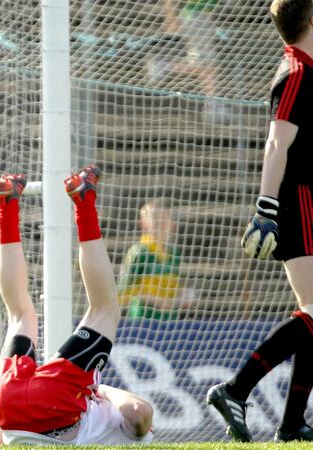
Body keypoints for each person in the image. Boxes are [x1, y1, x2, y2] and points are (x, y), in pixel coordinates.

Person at [0, 168, 154, 446]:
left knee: (104, 308)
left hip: (56, 405)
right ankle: (7, 203)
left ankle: (83, 201)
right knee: (19, 314)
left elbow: (139, 413)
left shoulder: (124, 434)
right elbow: (10, 428)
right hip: (9, 406)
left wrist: (102, 390)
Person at [206, 0, 313, 443]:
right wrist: (266, 208)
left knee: (312, 313)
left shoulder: (306, 68)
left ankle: (290, 425)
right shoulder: (296, 72)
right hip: (298, 200)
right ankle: (235, 389)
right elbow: (276, 144)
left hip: (307, 198)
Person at [153, 0, 231, 123]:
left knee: (208, 67)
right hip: (196, 18)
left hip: (200, 18)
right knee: (208, 66)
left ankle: (211, 102)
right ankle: (211, 104)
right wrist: (171, 17)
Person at [118, 198, 196, 319]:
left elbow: (173, 290)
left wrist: (184, 295)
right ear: (143, 224)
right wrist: (155, 300)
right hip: (140, 323)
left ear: (172, 225)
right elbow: (121, 294)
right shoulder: (138, 253)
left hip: (170, 324)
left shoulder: (174, 254)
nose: (161, 223)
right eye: (155, 218)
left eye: (165, 218)